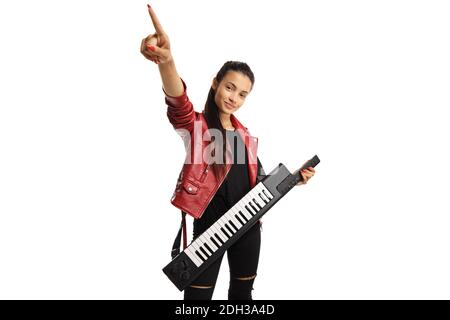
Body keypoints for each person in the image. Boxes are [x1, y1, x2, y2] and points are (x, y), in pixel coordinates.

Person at [140, 4, 315, 300]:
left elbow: (257, 184)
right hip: (209, 229)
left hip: (248, 228)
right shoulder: (197, 127)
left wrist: (294, 180)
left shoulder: (244, 137)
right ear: (215, 83)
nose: (234, 97)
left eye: (242, 94)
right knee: (197, 302)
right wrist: (166, 61)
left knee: (242, 297)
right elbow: (178, 102)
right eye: (230, 88)